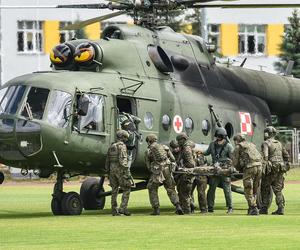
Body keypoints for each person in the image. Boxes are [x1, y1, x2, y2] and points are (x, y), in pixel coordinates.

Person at [145, 134, 183, 215]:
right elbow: (173, 159)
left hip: (157, 171)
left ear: (149, 141)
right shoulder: (165, 147)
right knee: (171, 188)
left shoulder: (148, 151)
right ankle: (178, 206)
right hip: (167, 170)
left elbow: (148, 166)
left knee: (152, 188)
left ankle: (156, 209)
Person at [202, 127, 234, 214]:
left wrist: (231, 168)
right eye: (217, 137)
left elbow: (233, 158)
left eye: (220, 137)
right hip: (215, 169)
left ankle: (230, 207)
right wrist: (199, 152)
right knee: (211, 189)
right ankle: (210, 207)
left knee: (227, 189)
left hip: (225, 170)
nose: (218, 139)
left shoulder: (228, 146)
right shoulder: (212, 144)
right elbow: (206, 152)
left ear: (223, 137)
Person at [260, 126, 290, 215]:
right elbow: (286, 156)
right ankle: (281, 208)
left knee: (265, 188)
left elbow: (265, 156)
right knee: (278, 189)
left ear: (266, 134)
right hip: (280, 168)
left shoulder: (266, 143)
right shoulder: (279, 143)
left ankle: (264, 208)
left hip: (271, 169)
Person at [232, 134, 262, 215]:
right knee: (255, 188)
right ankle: (252, 206)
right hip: (259, 167)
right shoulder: (252, 145)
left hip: (249, 168)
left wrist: (238, 169)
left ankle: (253, 207)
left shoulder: (238, 147)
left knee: (248, 188)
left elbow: (235, 162)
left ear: (236, 141)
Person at [105, 130, 132, 216]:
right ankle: (123, 208)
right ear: (122, 137)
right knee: (127, 188)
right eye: (125, 137)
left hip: (111, 170)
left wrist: (108, 172)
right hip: (120, 170)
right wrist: (127, 172)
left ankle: (114, 210)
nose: (126, 139)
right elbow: (123, 161)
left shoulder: (112, 146)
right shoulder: (122, 146)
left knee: (114, 190)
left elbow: (107, 161)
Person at [176, 133, 196, 214]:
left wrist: (182, 167)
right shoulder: (185, 147)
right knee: (183, 192)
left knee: (185, 193)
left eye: (179, 140)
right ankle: (189, 207)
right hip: (186, 173)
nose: (178, 142)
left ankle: (187, 210)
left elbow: (191, 164)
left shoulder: (186, 149)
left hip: (187, 173)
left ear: (183, 139)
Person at [191, 149, 208, 213]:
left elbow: (203, 166)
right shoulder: (189, 156)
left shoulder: (202, 157)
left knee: (201, 193)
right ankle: (191, 207)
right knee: (189, 192)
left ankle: (203, 209)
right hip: (193, 176)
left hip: (201, 176)